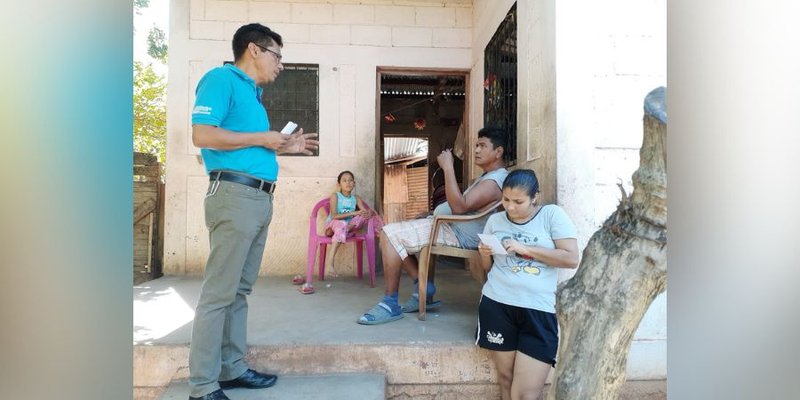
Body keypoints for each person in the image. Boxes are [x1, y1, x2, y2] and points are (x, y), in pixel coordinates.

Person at [187, 23, 319, 400]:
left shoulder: (254, 95)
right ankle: (202, 386)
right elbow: (203, 135)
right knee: (218, 294)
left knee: (239, 291)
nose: (280, 64)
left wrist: (281, 147)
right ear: (254, 50)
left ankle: (231, 368)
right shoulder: (220, 79)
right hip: (234, 195)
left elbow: (243, 144)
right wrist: (263, 138)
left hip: (258, 199)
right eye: (277, 55)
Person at [357, 126, 510, 325]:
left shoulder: (495, 181)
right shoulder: (487, 177)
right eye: (476, 145)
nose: (477, 150)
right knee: (393, 234)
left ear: (498, 152)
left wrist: (448, 167)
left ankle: (390, 303)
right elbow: (466, 206)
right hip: (448, 226)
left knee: (388, 234)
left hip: (457, 233)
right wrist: (432, 213)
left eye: (482, 146)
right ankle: (423, 286)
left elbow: (460, 207)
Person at [475, 169, 579, 400]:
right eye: (505, 200)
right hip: (498, 305)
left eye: (518, 201)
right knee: (505, 380)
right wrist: (484, 253)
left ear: (535, 198)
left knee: (525, 394)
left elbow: (571, 258)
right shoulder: (495, 220)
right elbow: (487, 268)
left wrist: (527, 249)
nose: (510, 207)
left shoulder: (551, 215)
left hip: (538, 310)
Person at [297, 170, 384, 294]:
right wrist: (355, 212)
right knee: (342, 224)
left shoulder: (356, 198)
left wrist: (368, 212)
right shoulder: (336, 196)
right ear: (339, 184)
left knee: (368, 216)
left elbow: (364, 213)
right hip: (334, 223)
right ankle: (330, 262)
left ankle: (348, 230)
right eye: (344, 180)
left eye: (350, 180)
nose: (348, 183)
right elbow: (334, 215)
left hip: (347, 227)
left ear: (354, 183)